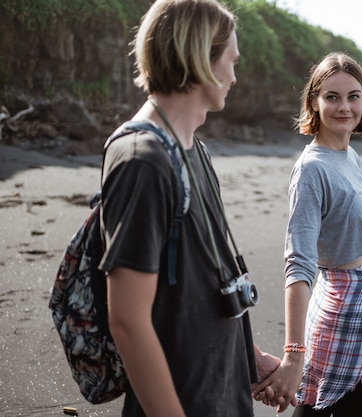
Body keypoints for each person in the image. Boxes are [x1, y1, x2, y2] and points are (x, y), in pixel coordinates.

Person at [99, 1, 282, 416]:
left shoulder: (193, 147)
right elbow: (127, 320)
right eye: (230, 61)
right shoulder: (141, 160)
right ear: (201, 58)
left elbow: (203, 283)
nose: (235, 76)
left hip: (220, 395)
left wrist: (249, 358)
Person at [253, 52, 362, 416]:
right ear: (314, 102)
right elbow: (299, 262)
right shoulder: (311, 169)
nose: (344, 107)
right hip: (341, 311)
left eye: (354, 96)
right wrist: (293, 354)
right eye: (332, 96)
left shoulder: (350, 156)